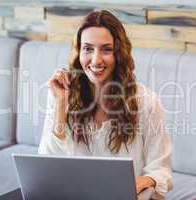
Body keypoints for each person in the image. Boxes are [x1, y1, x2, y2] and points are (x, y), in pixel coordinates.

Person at [38, 10, 173, 199]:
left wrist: (147, 180)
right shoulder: (62, 95)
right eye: (87, 48)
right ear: (78, 53)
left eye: (106, 49)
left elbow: (161, 170)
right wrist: (61, 104)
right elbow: (47, 167)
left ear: (119, 53)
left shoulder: (147, 101)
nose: (95, 60)